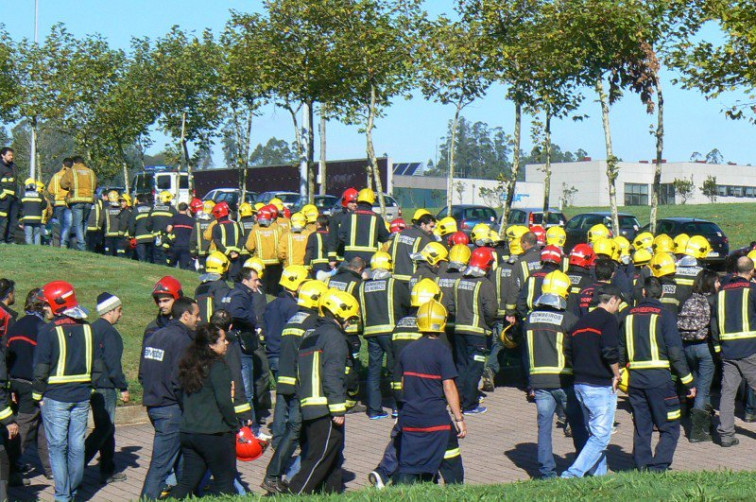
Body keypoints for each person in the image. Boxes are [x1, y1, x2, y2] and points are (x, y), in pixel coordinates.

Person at [34, 281, 102, 502]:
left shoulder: (48, 331)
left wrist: (37, 396)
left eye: (46, 305)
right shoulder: (88, 328)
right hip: (81, 396)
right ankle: (73, 491)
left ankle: (63, 496)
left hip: (55, 398)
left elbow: (41, 369)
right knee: (76, 447)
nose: (44, 309)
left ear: (57, 303)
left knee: (57, 448)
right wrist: (89, 387)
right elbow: (98, 367)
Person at [619, 277, 696, 471]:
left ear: (643, 293)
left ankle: (642, 464)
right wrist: (688, 382)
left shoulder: (628, 314)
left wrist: (619, 373)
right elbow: (676, 352)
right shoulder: (665, 314)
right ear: (661, 294)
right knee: (670, 426)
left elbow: (620, 349)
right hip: (660, 380)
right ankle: (659, 465)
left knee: (642, 426)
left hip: (635, 380)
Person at [288, 289, 358, 494]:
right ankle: (295, 494)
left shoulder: (311, 335)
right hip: (325, 407)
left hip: (309, 405)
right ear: (339, 313)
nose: (350, 323)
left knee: (333, 457)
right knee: (320, 457)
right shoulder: (334, 337)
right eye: (349, 318)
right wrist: (338, 409)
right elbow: (332, 374)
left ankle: (333, 494)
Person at [262, 280, 328, 494]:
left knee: (297, 431)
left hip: (287, 380)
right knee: (296, 430)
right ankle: (273, 476)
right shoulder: (312, 323)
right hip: (301, 384)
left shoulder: (294, 319)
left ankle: (297, 475)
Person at [522, 271, 586, 479]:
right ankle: (582, 466)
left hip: (538, 382)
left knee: (544, 428)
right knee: (577, 425)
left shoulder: (529, 318)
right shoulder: (569, 320)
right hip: (564, 380)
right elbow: (576, 351)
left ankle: (546, 472)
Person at [395, 299, 465, 485]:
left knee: (409, 465)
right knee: (452, 460)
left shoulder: (407, 351)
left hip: (411, 419)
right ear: (442, 322)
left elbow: (403, 384)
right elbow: (448, 386)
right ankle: (456, 491)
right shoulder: (442, 351)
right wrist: (459, 418)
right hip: (435, 420)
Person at [139, 297, 201, 500]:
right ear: (185, 315)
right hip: (171, 407)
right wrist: (189, 406)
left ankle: (185, 494)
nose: (199, 320)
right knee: (161, 463)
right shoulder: (183, 341)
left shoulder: (155, 336)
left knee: (181, 456)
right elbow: (180, 380)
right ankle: (147, 498)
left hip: (154, 403)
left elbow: (142, 373)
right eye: (197, 315)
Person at [561, 284, 623, 478]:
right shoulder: (609, 320)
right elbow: (609, 350)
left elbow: (568, 350)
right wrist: (616, 373)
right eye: (618, 303)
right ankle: (572, 474)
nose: (619, 308)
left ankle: (600, 477)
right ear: (612, 300)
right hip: (599, 384)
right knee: (602, 437)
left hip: (580, 383)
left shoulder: (580, 322)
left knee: (593, 433)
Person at [171, 325, 238, 498]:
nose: (227, 343)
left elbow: (179, 392)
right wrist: (233, 424)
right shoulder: (218, 367)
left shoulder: (190, 365)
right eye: (223, 340)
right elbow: (224, 401)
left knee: (187, 481)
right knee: (225, 483)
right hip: (213, 433)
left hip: (189, 431)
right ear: (211, 345)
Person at [358, 251, 410, 419]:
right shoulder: (394, 284)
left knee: (374, 370)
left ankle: (374, 409)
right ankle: (397, 407)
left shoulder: (363, 285)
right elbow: (407, 304)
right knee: (396, 369)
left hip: (371, 332)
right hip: (391, 332)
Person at [6, 289, 52, 481]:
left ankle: (51, 468)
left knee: (42, 427)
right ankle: (9, 471)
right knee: (24, 429)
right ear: (42, 306)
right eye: (49, 305)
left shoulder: (16, 324)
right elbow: (44, 361)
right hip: (31, 385)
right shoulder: (43, 328)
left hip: (13, 380)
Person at [85, 293, 129, 484]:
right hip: (105, 385)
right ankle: (80, 463)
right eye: (119, 311)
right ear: (110, 311)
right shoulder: (109, 333)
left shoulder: (90, 328)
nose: (120, 315)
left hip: (91, 384)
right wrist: (123, 386)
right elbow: (113, 364)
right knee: (104, 428)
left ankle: (107, 467)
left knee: (105, 428)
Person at [711, 256, 756, 447]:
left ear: (736, 271)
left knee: (728, 393)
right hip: (750, 349)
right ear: (752, 271)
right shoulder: (752, 291)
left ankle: (726, 434)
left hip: (728, 350)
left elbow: (714, 323)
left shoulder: (721, 293)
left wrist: (717, 347)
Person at [451, 247, 497, 415]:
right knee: (475, 368)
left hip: (459, 330)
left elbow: (451, 305)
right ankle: (470, 405)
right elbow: (491, 310)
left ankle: (459, 400)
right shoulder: (485, 284)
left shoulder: (459, 281)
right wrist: (489, 324)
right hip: (477, 332)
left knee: (461, 366)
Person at [677, 270, 717, 443]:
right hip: (704, 347)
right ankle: (697, 431)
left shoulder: (690, 299)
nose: (719, 285)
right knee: (704, 389)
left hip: (687, 347)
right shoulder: (711, 301)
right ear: (710, 283)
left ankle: (705, 424)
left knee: (698, 385)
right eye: (716, 282)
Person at [263, 265, 309, 382]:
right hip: (285, 357)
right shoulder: (293, 307)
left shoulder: (271, 304)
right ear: (296, 284)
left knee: (281, 394)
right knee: (290, 396)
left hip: (271, 355)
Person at [337, 188, 390, 263]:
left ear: (358, 199)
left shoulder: (349, 215)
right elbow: (384, 238)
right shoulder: (377, 218)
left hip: (351, 258)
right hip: (369, 259)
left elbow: (341, 236)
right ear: (372, 201)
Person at [387, 209, 436, 283]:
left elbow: (389, 254)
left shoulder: (400, 234)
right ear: (423, 224)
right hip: (411, 280)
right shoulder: (424, 240)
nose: (432, 230)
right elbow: (426, 265)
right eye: (431, 226)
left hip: (394, 280)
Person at [60, 155, 96, 252]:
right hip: (89, 200)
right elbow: (96, 185)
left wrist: (69, 188)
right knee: (85, 222)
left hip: (77, 200)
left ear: (74, 163)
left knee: (78, 224)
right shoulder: (91, 172)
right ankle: (82, 241)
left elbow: (63, 183)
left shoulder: (72, 171)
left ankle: (81, 245)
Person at [245, 204, 282, 295]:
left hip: (261, 264)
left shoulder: (255, 230)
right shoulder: (278, 229)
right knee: (274, 288)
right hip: (276, 263)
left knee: (262, 288)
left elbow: (249, 246)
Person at [211, 202, 245, 282]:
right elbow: (242, 239)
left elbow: (217, 241)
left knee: (222, 278)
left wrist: (227, 252)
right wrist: (237, 251)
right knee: (234, 278)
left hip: (222, 256)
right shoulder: (236, 225)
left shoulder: (216, 227)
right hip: (236, 256)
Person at [195, 252, 232, 322]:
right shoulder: (220, 285)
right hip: (212, 328)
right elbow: (222, 309)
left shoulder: (200, 286)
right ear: (223, 267)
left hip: (199, 326)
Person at [328, 188, 358, 267]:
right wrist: (331, 258)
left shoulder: (361, 217)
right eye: (352, 202)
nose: (355, 204)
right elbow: (332, 239)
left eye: (356, 202)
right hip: (341, 257)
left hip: (357, 258)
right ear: (345, 202)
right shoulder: (337, 218)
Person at [47, 158, 72, 248]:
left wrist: (57, 193)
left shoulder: (56, 176)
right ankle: (64, 243)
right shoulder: (73, 176)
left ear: (63, 165)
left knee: (59, 225)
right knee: (68, 224)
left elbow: (50, 189)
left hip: (58, 203)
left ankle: (57, 243)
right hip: (69, 204)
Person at [150, 191, 178, 266]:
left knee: (157, 258)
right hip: (168, 239)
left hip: (156, 238)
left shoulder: (154, 209)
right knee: (168, 259)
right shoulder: (172, 210)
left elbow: (148, 224)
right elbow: (177, 223)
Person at [168, 202, 196, 270]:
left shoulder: (174, 218)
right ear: (187, 210)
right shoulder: (192, 220)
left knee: (171, 266)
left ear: (178, 209)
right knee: (184, 267)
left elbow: (168, 229)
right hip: (186, 246)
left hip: (175, 245)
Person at [0, 147, 19, 245]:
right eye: (9, 155)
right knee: (3, 219)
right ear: (3, 155)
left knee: (13, 219)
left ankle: (10, 239)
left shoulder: (14, 166)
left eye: (12, 155)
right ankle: (1, 239)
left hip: (14, 198)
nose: (11, 157)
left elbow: (16, 182)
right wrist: (2, 195)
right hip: (4, 199)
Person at [20, 178, 47, 245]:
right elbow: (44, 205)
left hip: (27, 219)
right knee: (37, 235)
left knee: (28, 235)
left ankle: (30, 249)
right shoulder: (40, 196)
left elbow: (19, 206)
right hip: (37, 219)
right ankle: (37, 248)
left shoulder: (23, 196)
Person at [128, 194, 155, 263]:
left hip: (140, 238)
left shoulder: (135, 210)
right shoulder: (152, 208)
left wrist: (131, 235)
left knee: (142, 259)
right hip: (151, 237)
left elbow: (131, 225)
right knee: (150, 258)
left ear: (137, 201)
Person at [102, 191, 123, 257]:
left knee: (108, 253)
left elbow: (102, 221)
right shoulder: (121, 209)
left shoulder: (106, 210)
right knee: (120, 253)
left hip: (109, 234)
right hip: (119, 234)